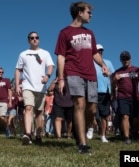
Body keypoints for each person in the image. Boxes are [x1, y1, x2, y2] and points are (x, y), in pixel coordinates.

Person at [55, 2, 110, 154]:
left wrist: (103, 65)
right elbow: (61, 57)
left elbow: (94, 53)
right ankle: (83, 144)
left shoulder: (90, 33)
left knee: (92, 109)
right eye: (88, 12)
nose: (90, 15)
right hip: (73, 72)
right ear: (80, 12)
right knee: (79, 104)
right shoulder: (64, 32)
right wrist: (61, 78)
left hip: (90, 74)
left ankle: (78, 131)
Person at [15, 31, 55, 145]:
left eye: (36, 37)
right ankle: (27, 134)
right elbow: (18, 69)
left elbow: (51, 66)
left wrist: (48, 76)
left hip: (41, 87)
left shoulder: (45, 53)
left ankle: (38, 135)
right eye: (32, 38)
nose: (34, 39)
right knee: (28, 108)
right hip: (27, 86)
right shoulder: (23, 54)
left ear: (39, 39)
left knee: (38, 112)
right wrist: (18, 85)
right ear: (28, 40)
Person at [112, 51, 139, 144]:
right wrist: (115, 81)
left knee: (137, 118)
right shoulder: (117, 72)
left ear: (130, 59)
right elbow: (113, 85)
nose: (125, 60)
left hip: (135, 97)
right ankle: (127, 137)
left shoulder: (136, 70)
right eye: (123, 59)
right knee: (125, 116)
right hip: (122, 97)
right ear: (120, 60)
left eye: (127, 58)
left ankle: (135, 132)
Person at [87, 44, 115, 143]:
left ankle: (103, 135)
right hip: (92, 89)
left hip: (105, 92)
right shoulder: (89, 62)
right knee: (91, 111)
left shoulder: (108, 63)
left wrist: (113, 90)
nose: (100, 52)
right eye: (98, 50)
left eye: (101, 50)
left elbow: (113, 77)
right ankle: (90, 127)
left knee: (104, 115)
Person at [47, 75, 73, 139]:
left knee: (69, 120)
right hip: (58, 103)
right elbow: (49, 91)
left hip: (70, 103)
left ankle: (68, 134)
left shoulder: (70, 79)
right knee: (58, 119)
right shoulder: (55, 81)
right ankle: (59, 136)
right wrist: (53, 82)